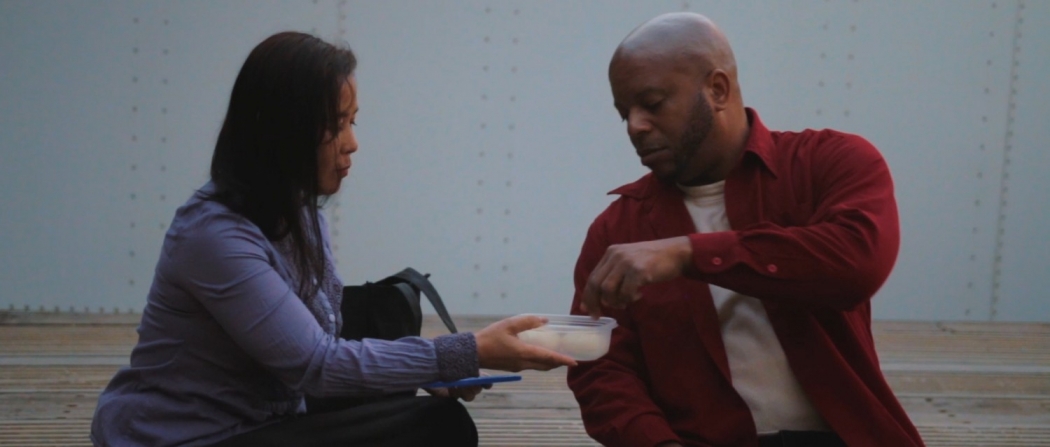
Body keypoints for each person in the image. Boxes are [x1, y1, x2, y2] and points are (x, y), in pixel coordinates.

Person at [90, 31, 576, 447]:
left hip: (270, 413)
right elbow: (316, 365)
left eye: (353, 121)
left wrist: (433, 371)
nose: (352, 143)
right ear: (282, 131)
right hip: (190, 435)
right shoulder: (214, 238)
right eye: (335, 125)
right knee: (437, 428)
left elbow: (326, 345)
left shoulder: (301, 214)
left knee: (416, 388)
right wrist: (468, 350)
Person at [566, 12, 924, 447]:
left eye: (653, 104)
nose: (635, 126)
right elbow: (600, 368)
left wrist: (686, 253)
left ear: (717, 89)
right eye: (624, 113)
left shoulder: (829, 163)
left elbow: (857, 262)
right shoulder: (617, 231)